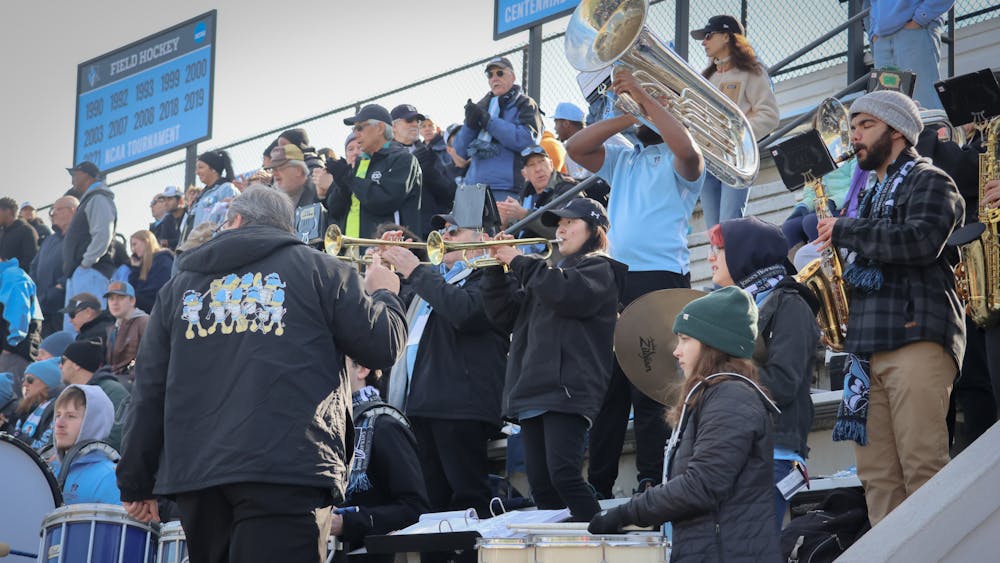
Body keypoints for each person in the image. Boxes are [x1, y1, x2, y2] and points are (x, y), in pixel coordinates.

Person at [116, 185, 407, 563]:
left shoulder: (176, 290)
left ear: (235, 220)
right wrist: (385, 294)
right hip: (289, 467)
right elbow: (382, 346)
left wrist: (136, 482)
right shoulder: (322, 270)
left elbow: (148, 391)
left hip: (200, 478)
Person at [814, 90, 965, 525]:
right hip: (866, 347)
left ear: (896, 130)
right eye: (854, 128)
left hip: (915, 335)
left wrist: (848, 230)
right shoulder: (866, 198)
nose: (855, 136)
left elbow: (920, 240)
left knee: (924, 468)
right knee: (877, 478)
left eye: (865, 126)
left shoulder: (931, 179)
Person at [566, 68, 705, 498]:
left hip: (663, 279)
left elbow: (687, 149)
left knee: (653, 385)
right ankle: (599, 484)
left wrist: (648, 101)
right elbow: (574, 147)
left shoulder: (686, 159)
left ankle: (652, 478)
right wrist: (629, 112)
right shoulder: (626, 158)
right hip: (616, 280)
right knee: (609, 389)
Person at [587, 287, 780, 560]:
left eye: (685, 339)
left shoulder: (731, 398)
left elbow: (700, 486)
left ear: (714, 345)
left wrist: (627, 513)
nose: (676, 351)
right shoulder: (716, 395)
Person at [482, 198, 627, 521]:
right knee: (543, 486)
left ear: (594, 230)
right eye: (558, 224)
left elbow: (567, 295)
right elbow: (503, 315)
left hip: (567, 389)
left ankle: (601, 537)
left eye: (569, 223)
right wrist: (494, 271)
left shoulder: (599, 269)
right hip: (533, 389)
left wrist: (520, 261)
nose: (560, 230)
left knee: (565, 476)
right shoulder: (547, 276)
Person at [379, 210, 508, 518]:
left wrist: (415, 269)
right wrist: (387, 261)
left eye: (454, 231)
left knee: (468, 499)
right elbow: (399, 300)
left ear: (482, 241)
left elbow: (465, 312)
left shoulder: (492, 277)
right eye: (444, 231)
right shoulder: (440, 281)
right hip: (424, 405)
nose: (445, 237)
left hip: (461, 404)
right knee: (430, 507)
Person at [708, 217, 820, 527]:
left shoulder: (791, 305)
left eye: (717, 249)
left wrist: (722, 374)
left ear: (746, 253)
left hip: (772, 453)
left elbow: (783, 383)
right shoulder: (737, 306)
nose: (709, 258)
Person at [329, 358, 428, 562]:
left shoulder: (385, 427)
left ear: (363, 369)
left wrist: (346, 522)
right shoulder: (325, 429)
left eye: (337, 360)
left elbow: (415, 510)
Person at [692, 15, 780, 228]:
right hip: (709, 162)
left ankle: (730, 261)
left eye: (708, 36)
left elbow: (769, 115)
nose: (704, 42)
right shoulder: (707, 78)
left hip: (736, 162)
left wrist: (738, 140)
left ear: (726, 37)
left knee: (729, 227)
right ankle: (721, 261)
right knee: (714, 231)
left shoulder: (752, 71)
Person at [453, 56, 543, 203]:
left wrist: (488, 122)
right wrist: (470, 125)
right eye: (490, 75)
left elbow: (527, 141)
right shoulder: (481, 107)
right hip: (471, 190)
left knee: (503, 227)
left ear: (513, 77)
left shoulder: (525, 103)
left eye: (500, 73)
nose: (495, 78)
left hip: (506, 189)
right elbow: (460, 151)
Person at [325, 104, 422, 239]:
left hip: (386, 250)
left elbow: (384, 202)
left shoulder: (403, 159)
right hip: (351, 249)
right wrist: (341, 182)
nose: (355, 134)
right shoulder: (360, 163)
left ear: (380, 128)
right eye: (354, 129)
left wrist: (348, 177)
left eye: (360, 128)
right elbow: (334, 210)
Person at [867, 0, 954, 110]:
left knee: (924, 103)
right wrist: (873, 34)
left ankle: (934, 127)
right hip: (882, 38)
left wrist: (919, 19)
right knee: (889, 108)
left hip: (914, 30)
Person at [62, 160, 117, 326]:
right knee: (74, 328)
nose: (72, 179)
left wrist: (85, 264)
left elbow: (103, 234)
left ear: (86, 175)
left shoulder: (99, 198)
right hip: (81, 272)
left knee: (89, 326)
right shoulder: (90, 199)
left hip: (91, 271)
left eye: (75, 174)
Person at [48, 384, 121, 504]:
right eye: (58, 415)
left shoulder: (109, 477)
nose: (59, 424)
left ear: (94, 423)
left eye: (71, 416)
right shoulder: (51, 468)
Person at [391, 103, 456, 237]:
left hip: (428, 229)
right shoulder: (385, 154)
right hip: (397, 231)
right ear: (394, 126)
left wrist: (430, 173)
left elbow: (449, 193)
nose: (415, 124)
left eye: (417, 121)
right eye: (409, 120)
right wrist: (410, 167)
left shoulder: (430, 152)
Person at [498, 145, 580, 242]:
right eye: (531, 165)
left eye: (542, 162)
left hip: (556, 252)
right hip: (525, 253)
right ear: (524, 174)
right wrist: (503, 224)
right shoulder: (525, 194)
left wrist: (524, 215)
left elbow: (566, 232)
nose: (538, 169)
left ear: (551, 164)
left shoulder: (567, 189)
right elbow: (514, 233)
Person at [60, 338, 128, 451]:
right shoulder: (71, 393)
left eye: (63, 361)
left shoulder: (113, 391)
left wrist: (75, 453)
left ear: (76, 364)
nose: (60, 366)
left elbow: (118, 434)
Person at [32, 197, 78, 337]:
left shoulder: (80, 238)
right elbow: (34, 266)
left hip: (63, 308)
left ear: (73, 211)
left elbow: (81, 264)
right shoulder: (49, 240)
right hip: (42, 307)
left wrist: (60, 286)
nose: (53, 214)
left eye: (57, 209)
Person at [0, 255, 43, 395]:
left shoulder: (13, 277)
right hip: (9, 353)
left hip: (14, 354)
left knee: (10, 402)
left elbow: (19, 313)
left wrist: (10, 346)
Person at [179, 149, 239, 245]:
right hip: (191, 248)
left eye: (201, 167)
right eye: (196, 168)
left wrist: (213, 240)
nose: (197, 172)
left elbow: (228, 220)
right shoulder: (200, 196)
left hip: (209, 246)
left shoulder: (226, 188)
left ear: (213, 169)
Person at [9, 358, 63, 451]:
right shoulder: (32, 406)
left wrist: (11, 433)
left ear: (47, 383)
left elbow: (43, 448)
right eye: (23, 379)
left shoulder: (55, 408)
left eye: (30, 379)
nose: (24, 384)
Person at [104, 281, 148, 382]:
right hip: (117, 380)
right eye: (111, 299)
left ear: (132, 301)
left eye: (120, 298)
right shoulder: (113, 328)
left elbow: (149, 359)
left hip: (134, 382)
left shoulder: (144, 323)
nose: (115, 302)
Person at [128, 230, 174, 314]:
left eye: (134, 244)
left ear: (146, 242)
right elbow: (132, 288)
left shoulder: (163, 260)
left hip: (159, 307)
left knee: (127, 299)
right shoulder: (143, 264)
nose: (132, 249)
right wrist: (135, 269)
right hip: (149, 307)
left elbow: (156, 290)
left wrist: (132, 296)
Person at [0, 197, 39, 267]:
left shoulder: (26, 230)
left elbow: (31, 261)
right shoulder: (1, 233)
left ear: (8, 211)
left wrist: (9, 270)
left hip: (16, 277)